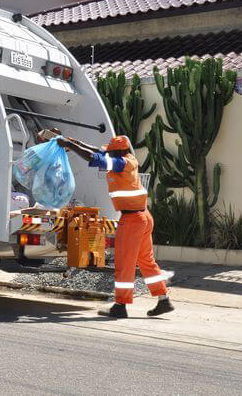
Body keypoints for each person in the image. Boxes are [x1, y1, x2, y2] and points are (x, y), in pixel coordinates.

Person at [53, 134, 174, 318]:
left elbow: (94, 157)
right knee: (146, 261)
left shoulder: (120, 164)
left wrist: (68, 144)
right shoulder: (128, 158)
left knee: (124, 263)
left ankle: (120, 306)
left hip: (132, 220)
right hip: (143, 217)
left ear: (119, 152)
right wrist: (75, 142)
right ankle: (163, 300)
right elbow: (98, 151)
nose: (108, 153)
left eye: (111, 152)